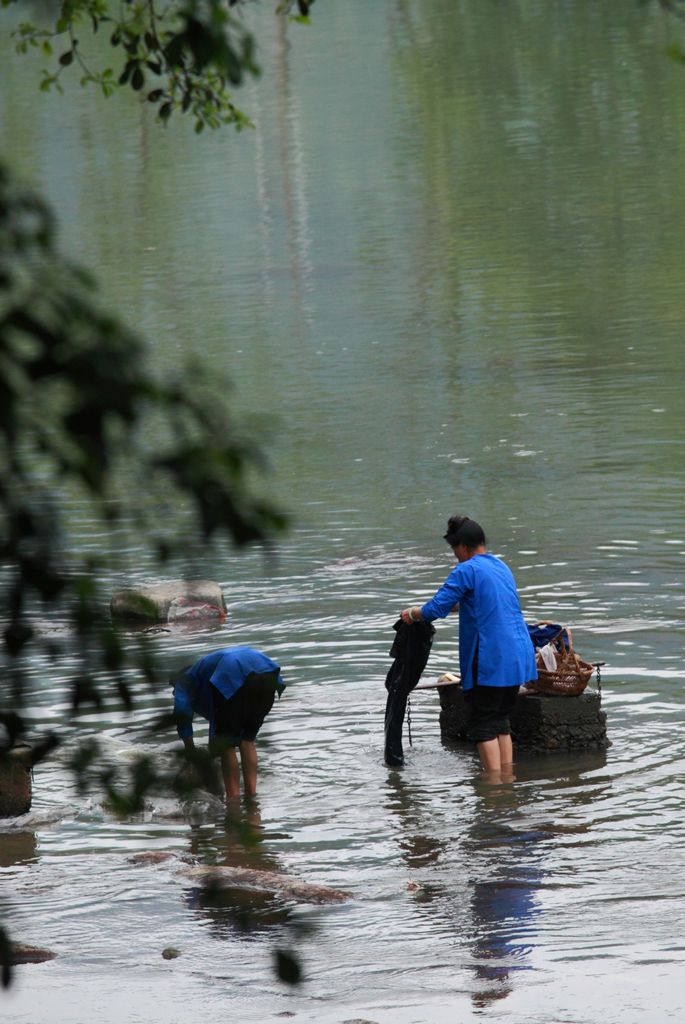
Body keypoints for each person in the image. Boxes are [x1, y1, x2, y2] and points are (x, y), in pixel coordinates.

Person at [400, 516, 536, 773]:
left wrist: (413, 613)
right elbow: (482, 602)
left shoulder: (467, 569)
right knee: (500, 721)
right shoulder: (500, 566)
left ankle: (494, 789)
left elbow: (435, 608)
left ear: (462, 546)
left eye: (454, 550)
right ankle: (507, 781)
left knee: (483, 724)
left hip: (491, 659)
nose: (455, 556)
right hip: (518, 657)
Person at [171, 646, 285, 799]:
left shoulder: (185, 679)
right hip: (268, 675)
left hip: (234, 673)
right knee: (247, 741)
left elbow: (181, 711)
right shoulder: (205, 668)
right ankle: (251, 797)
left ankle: (234, 804)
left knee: (226, 746)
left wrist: (190, 750)